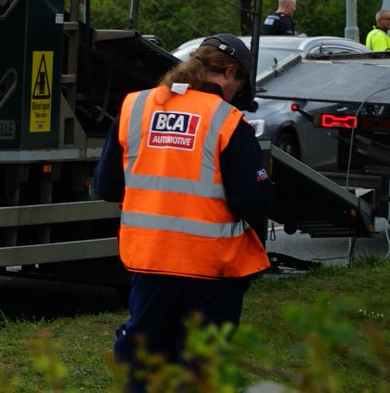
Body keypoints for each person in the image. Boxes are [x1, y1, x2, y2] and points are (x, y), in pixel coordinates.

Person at [94, 34, 272, 391]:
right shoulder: (226, 120)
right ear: (231, 73)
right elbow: (253, 199)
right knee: (200, 372)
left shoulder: (137, 107)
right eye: (240, 84)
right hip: (210, 269)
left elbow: (106, 186)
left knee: (144, 366)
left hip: (150, 262)